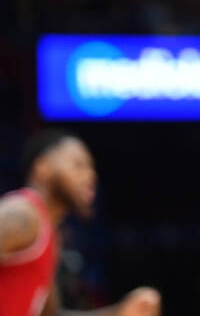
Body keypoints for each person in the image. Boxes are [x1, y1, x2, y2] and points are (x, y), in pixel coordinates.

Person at [0, 130, 161, 316]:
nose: (90, 176)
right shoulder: (25, 212)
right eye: (78, 165)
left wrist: (118, 313)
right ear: (42, 167)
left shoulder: (48, 234)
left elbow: (50, 315)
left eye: (91, 168)